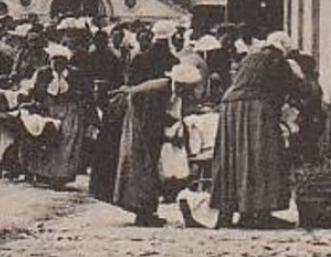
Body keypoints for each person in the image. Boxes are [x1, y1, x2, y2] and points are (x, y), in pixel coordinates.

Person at [210, 31, 295, 230]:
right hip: (254, 108)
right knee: (261, 157)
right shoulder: (276, 61)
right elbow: (281, 91)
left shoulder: (250, 57)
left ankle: (234, 210)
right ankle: (261, 212)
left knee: (233, 160)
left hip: (230, 108)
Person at [112, 62, 204, 227]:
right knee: (142, 167)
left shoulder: (171, 90)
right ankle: (143, 213)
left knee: (149, 168)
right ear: (182, 85)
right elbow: (150, 123)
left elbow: (165, 115)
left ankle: (148, 211)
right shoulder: (157, 92)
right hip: (138, 122)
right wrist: (163, 139)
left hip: (146, 121)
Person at [25, 43, 93, 189]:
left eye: (60, 61)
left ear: (66, 62)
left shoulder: (76, 74)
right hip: (49, 108)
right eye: (54, 61)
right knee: (49, 140)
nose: (57, 64)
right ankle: (45, 173)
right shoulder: (43, 73)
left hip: (70, 110)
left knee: (67, 142)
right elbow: (34, 91)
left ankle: (61, 176)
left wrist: (79, 100)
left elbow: (87, 93)